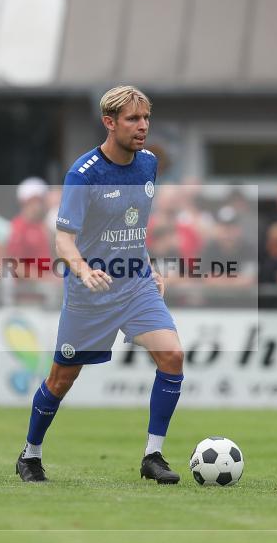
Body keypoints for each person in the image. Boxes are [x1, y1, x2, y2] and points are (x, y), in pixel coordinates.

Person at [15, 85, 184, 485]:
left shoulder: (148, 164)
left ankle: (153, 456)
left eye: (145, 119)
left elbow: (131, 224)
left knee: (173, 356)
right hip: (91, 294)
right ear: (109, 122)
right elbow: (63, 239)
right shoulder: (83, 174)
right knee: (61, 380)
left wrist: (149, 265)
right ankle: (30, 454)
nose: (142, 126)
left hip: (136, 285)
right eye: (132, 119)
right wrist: (82, 269)